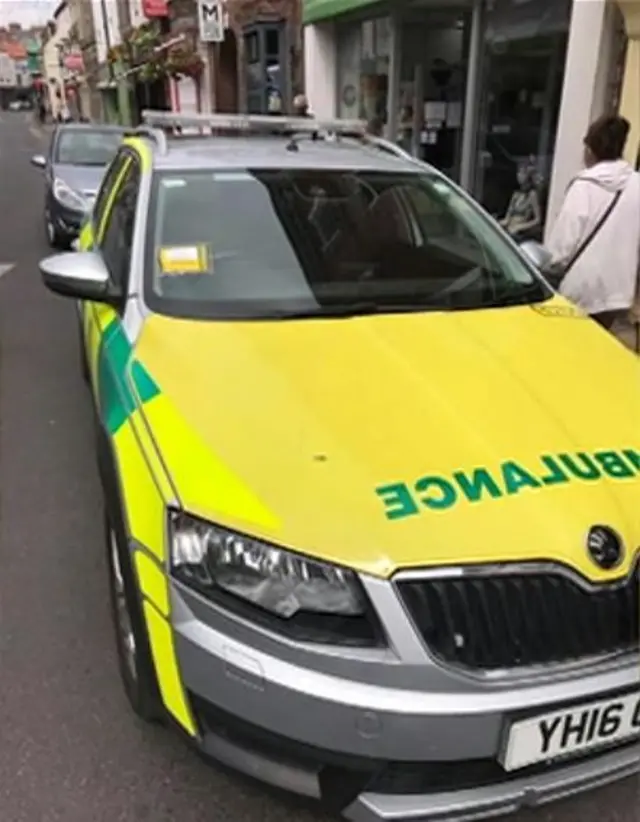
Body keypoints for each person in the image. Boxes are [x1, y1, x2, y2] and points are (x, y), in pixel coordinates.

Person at [545, 115, 640, 330]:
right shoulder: (636, 185)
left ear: (590, 149)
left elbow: (563, 245)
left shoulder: (583, 186)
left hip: (582, 291)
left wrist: (550, 264)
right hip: (618, 292)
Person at [499, 161, 542, 242]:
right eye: (518, 173)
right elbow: (507, 218)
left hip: (521, 233)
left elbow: (537, 220)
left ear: (528, 175)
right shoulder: (516, 194)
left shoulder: (532, 195)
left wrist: (521, 227)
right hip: (509, 229)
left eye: (522, 173)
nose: (519, 175)